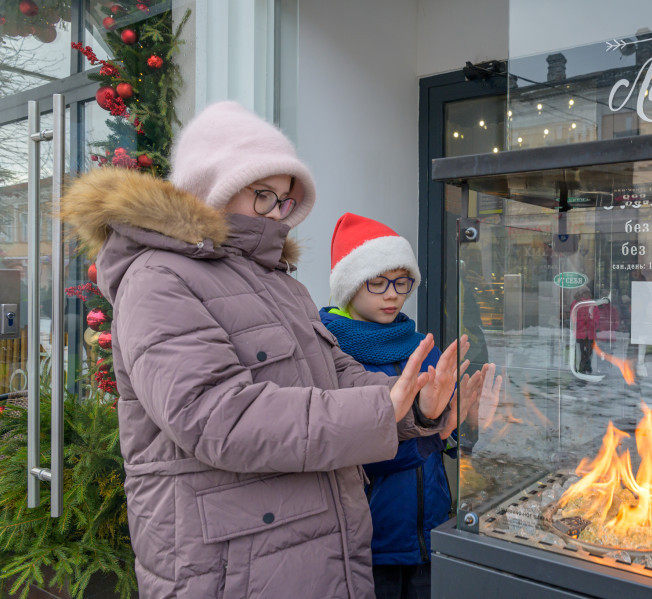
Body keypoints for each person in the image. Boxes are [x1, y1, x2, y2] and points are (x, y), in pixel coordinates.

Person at [60, 101, 463, 599]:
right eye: (264, 196)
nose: (277, 215)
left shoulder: (279, 283)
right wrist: (381, 407)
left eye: (285, 202)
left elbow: (336, 373)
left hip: (315, 550)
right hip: (232, 566)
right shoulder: (158, 278)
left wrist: (417, 404)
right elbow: (215, 416)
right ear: (214, 188)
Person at [319, 213, 485, 599]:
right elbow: (356, 456)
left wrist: (468, 424)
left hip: (430, 534)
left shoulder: (420, 347)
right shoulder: (333, 356)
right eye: (377, 283)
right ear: (348, 286)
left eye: (402, 282)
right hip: (371, 544)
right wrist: (427, 432)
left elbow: (446, 439)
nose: (392, 294)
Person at [570, 288, 599, 373]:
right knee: (585, 350)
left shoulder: (590, 304)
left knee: (585, 350)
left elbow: (573, 318)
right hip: (585, 331)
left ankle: (584, 365)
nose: (586, 295)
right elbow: (574, 317)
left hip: (585, 331)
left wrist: (588, 322)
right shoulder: (580, 303)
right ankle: (585, 365)